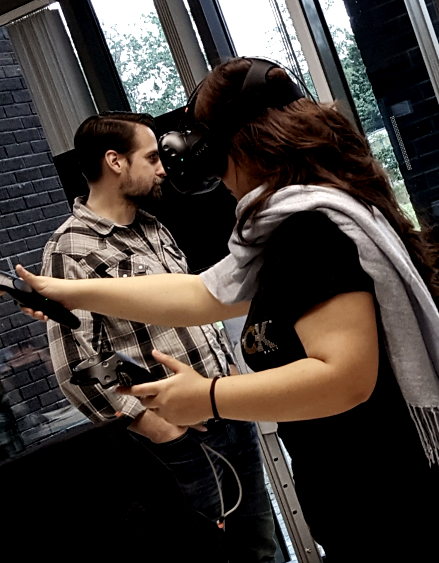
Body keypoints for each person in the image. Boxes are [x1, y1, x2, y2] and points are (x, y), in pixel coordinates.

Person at [17, 58, 439, 563]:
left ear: (237, 145)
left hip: (386, 503)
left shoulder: (307, 231)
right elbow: (197, 295)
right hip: (367, 501)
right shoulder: (280, 227)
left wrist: (206, 397)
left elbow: (344, 377)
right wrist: (69, 291)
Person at [41, 112, 276, 562]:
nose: (163, 168)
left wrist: (228, 378)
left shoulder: (155, 227)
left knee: (260, 550)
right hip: (179, 439)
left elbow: (193, 308)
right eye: (151, 157)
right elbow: (74, 366)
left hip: (227, 409)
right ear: (114, 161)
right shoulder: (70, 249)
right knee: (209, 557)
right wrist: (159, 429)